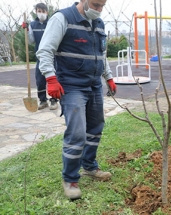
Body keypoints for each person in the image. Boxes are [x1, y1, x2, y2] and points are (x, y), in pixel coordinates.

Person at [36, 0, 117, 200]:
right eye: (95, 5)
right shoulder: (62, 18)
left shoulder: (99, 24)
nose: (98, 10)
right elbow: (45, 50)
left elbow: (102, 54)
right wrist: (51, 77)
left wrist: (108, 76)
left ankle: (89, 166)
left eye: (102, 6)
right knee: (77, 132)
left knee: (96, 127)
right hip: (72, 86)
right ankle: (70, 178)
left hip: (94, 85)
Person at [22, 3, 58, 110]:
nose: (41, 13)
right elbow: (31, 41)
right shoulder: (33, 25)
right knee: (40, 79)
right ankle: (43, 100)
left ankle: (54, 100)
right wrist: (27, 30)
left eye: (43, 11)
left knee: (53, 77)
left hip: (52, 55)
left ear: (47, 12)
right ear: (36, 12)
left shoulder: (52, 23)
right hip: (40, 56)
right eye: (39, 11)